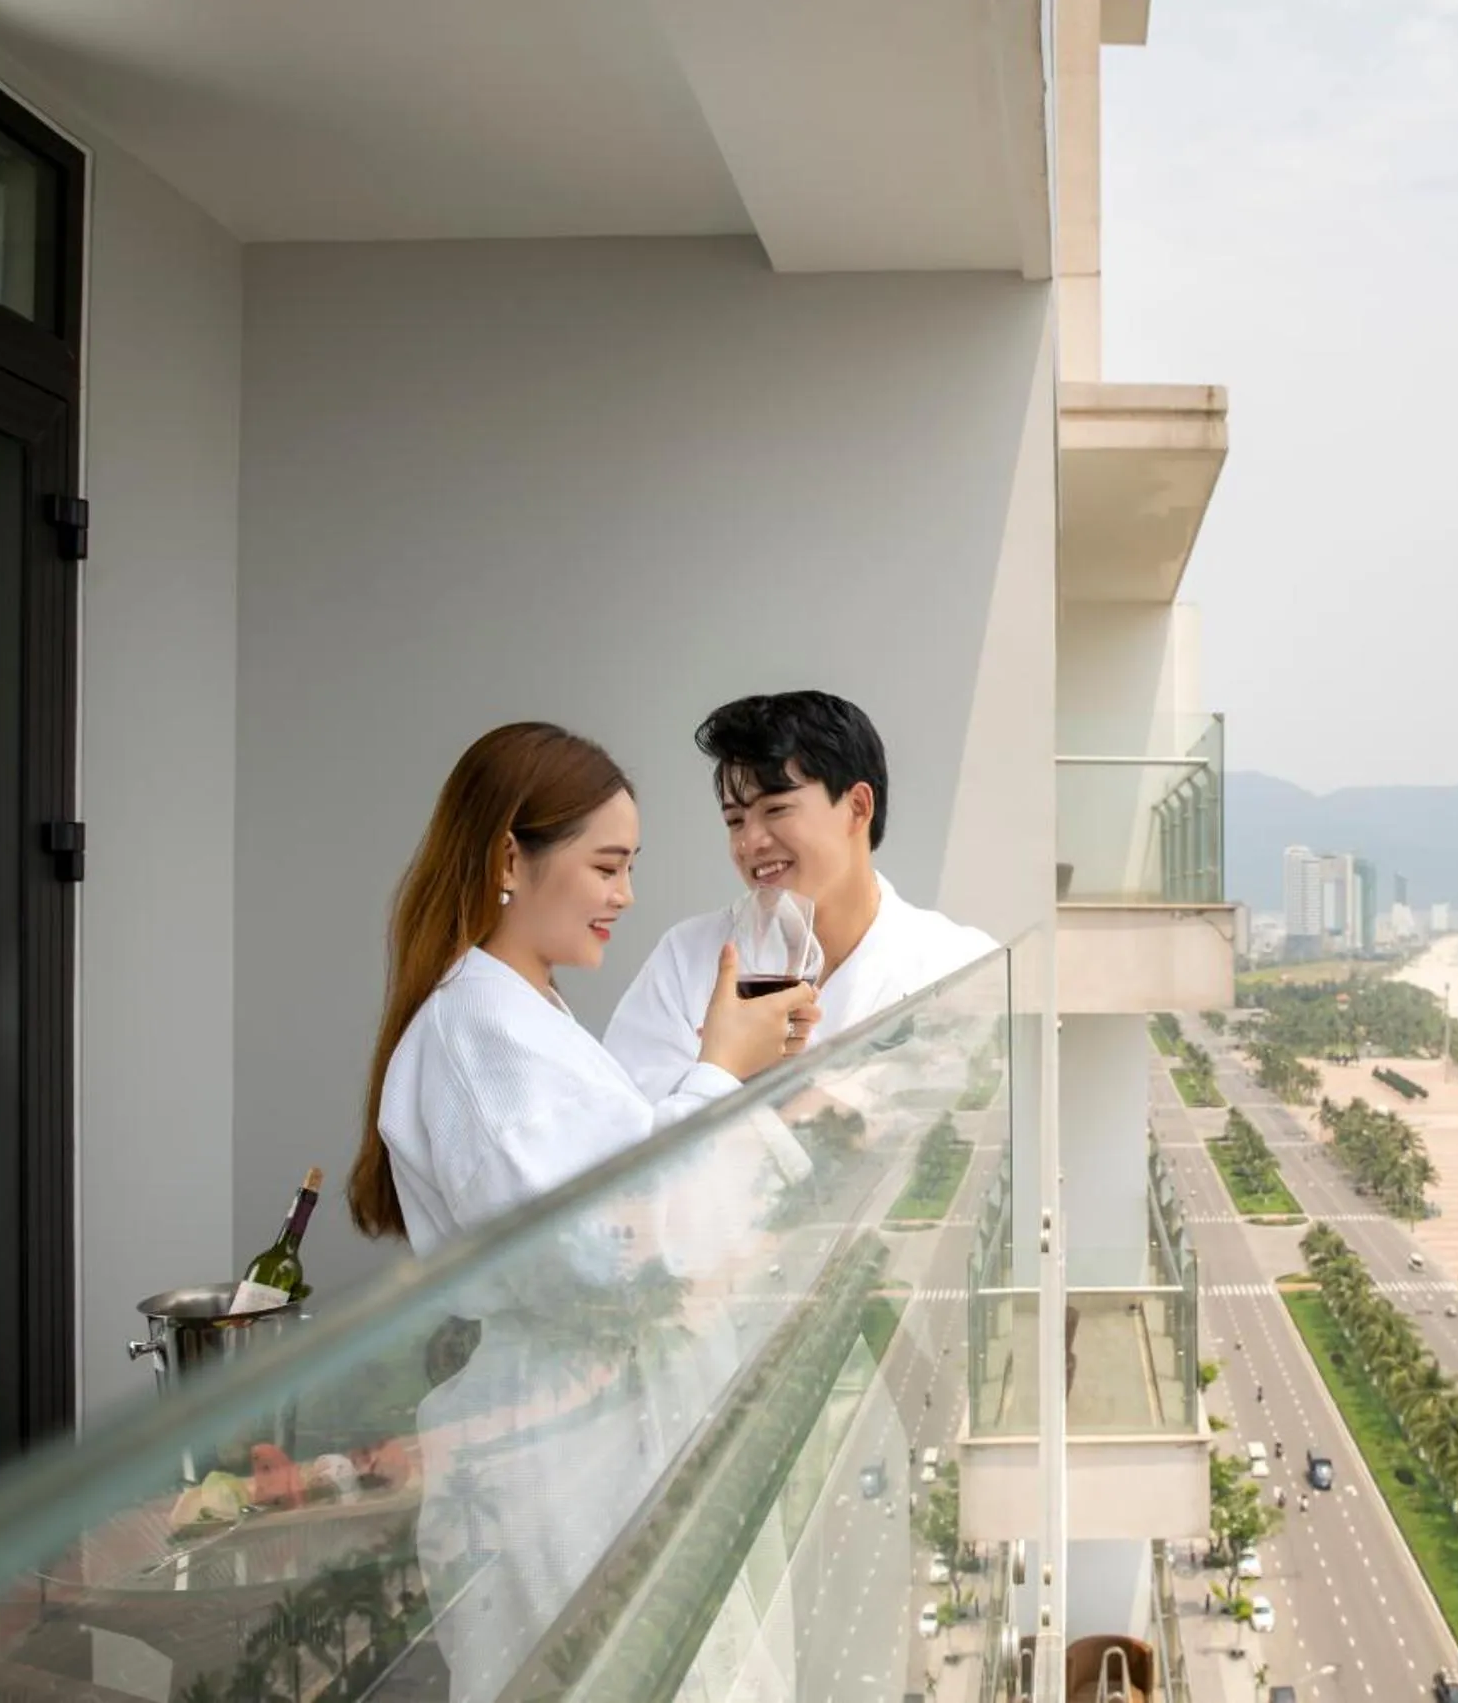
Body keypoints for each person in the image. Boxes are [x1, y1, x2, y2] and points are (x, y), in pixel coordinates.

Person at [348, 723, 817, 1703]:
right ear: (508, 858)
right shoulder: (478, 1032)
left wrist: (733, 1072)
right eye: (607, 867)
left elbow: (623, 1204)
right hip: (563, 1469)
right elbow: (605, 1261)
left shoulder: (526, 1015)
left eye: (629, 868)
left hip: (601, 1443)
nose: (625, 897)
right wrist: (717, 1071)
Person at [605, 691, 996, 1100]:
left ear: (858, 807)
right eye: (735, 820)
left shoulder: (956, 966)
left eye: (775, 810)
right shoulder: (687, 959)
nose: (750, 842)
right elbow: (627, 1127)